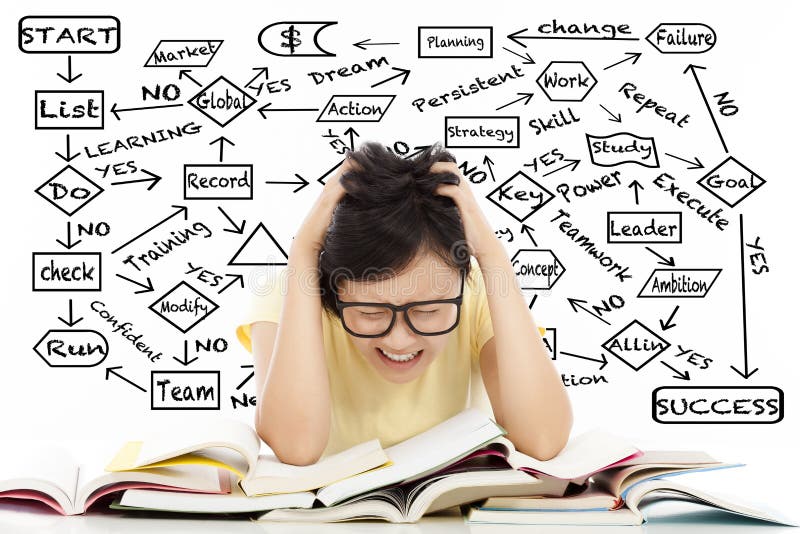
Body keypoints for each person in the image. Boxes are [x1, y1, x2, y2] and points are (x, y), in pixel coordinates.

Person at [235, 142, 572, 466]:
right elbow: (296, 447)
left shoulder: (477, 293)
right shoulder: (288, 293)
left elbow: (542, 440)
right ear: (335, 288)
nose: (399, 340)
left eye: (427, 311)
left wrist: (493, 256)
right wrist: (304, 249)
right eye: (370, 313)